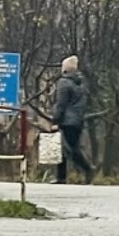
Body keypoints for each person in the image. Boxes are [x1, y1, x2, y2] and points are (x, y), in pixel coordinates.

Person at [49, 55, 95, 184]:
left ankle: (87, 168)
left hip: (66, 120)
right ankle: (62, 176)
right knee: (65, 148)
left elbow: (61, 104)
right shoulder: (80, 83)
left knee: (70, 149)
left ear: (64, 69)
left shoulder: (63, 83)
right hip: (78, 120)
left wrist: (55, 121)